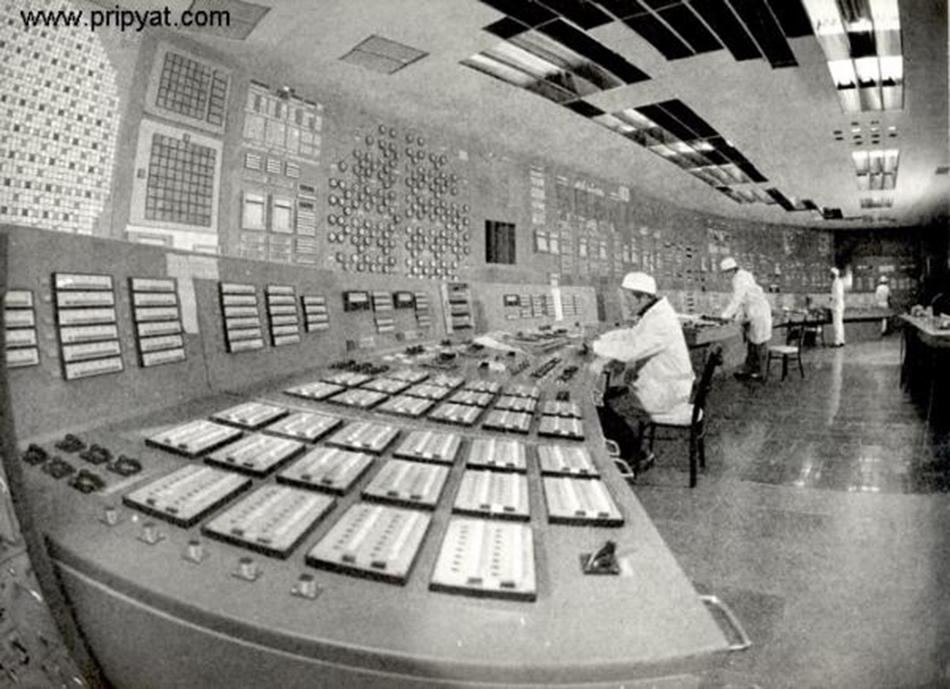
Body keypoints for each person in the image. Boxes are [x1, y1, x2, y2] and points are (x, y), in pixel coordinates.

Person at [589, 271, 695, 474]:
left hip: (666, 393)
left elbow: (631, 350)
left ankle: (634, 455)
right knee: (605, 397)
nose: (627, 304)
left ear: (645, 297)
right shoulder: (654, 314)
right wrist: (602, 338)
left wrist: (594, 346)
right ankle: (631, 450)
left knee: (598, 403)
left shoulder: (659, 321)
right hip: (665, 385)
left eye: (629, 299)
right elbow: (631, 336)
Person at [719, 257, 772, 380]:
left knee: (759, 343)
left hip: (759, 313)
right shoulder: (742, 276)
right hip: (754, 312)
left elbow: (738, 299)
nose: (726, 276)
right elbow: (743, 302)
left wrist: (725, 315)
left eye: (727, 272)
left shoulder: (740, 279)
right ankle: (749, 369)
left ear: (732, 270)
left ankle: (761, 373)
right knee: (752, 343)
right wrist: (738, 316)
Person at [830, 267, 846, 347]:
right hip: (839, 305)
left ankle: (837, 341)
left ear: (834, 274)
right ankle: (841, 340)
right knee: (840, 323)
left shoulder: (836, 283)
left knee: (837, 324)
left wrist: (831, 297)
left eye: (831, 274)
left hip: (837, 306)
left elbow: (837, 295)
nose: (830, 275)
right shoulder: (838, 282)